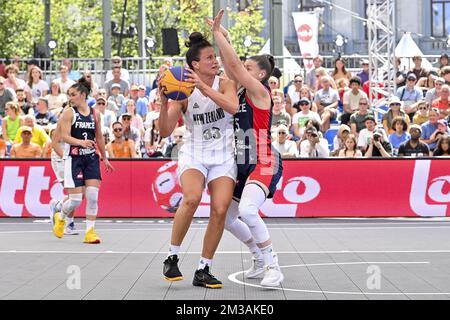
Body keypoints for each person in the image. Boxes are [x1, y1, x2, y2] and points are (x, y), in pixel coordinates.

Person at [209, 10, 284, 287]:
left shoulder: (260, 93)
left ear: (261, 74)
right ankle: (257, 254)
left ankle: (273, 266)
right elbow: (233, 68)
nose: (242, 69)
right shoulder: (239, 90)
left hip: (263, 159)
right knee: (227, 218)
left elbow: (236, 68)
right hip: (241, 161)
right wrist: (222, 38)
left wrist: (219, 35)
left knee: (249, 211)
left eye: (249, 68)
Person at [160, 31, 239, 289]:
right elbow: (164, 131)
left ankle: (203, 269)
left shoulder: (225, 83)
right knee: (192, 198)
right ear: (195, 64)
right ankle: (172, 256)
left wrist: (203, 86)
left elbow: (232, 107)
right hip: (195, 152)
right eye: (209, 58)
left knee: (219, 210)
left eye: (215, 56)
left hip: (223, 155)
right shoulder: (182, 92)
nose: (215, 61)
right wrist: (164, 102)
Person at [52, 77, 113, 244]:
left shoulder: (95, 114)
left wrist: (105, 157)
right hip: (74, 158)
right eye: (69, 95)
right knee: (76, 200)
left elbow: (99, 137)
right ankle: (61, 216)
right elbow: (64, 136)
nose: (70, 98)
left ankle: (90, 232)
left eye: (73, 94)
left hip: (91, 158)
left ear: (83, 94)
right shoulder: (69, 113)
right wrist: (81, 142)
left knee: (93, 196)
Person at [49, 115, 79, 235]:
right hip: (61, 159)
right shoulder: (62, 122)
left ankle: (58, 205)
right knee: (73, 194)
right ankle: (69, 224)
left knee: (80, 194)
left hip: (75, 158)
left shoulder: (81, 120)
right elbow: (55, 142)